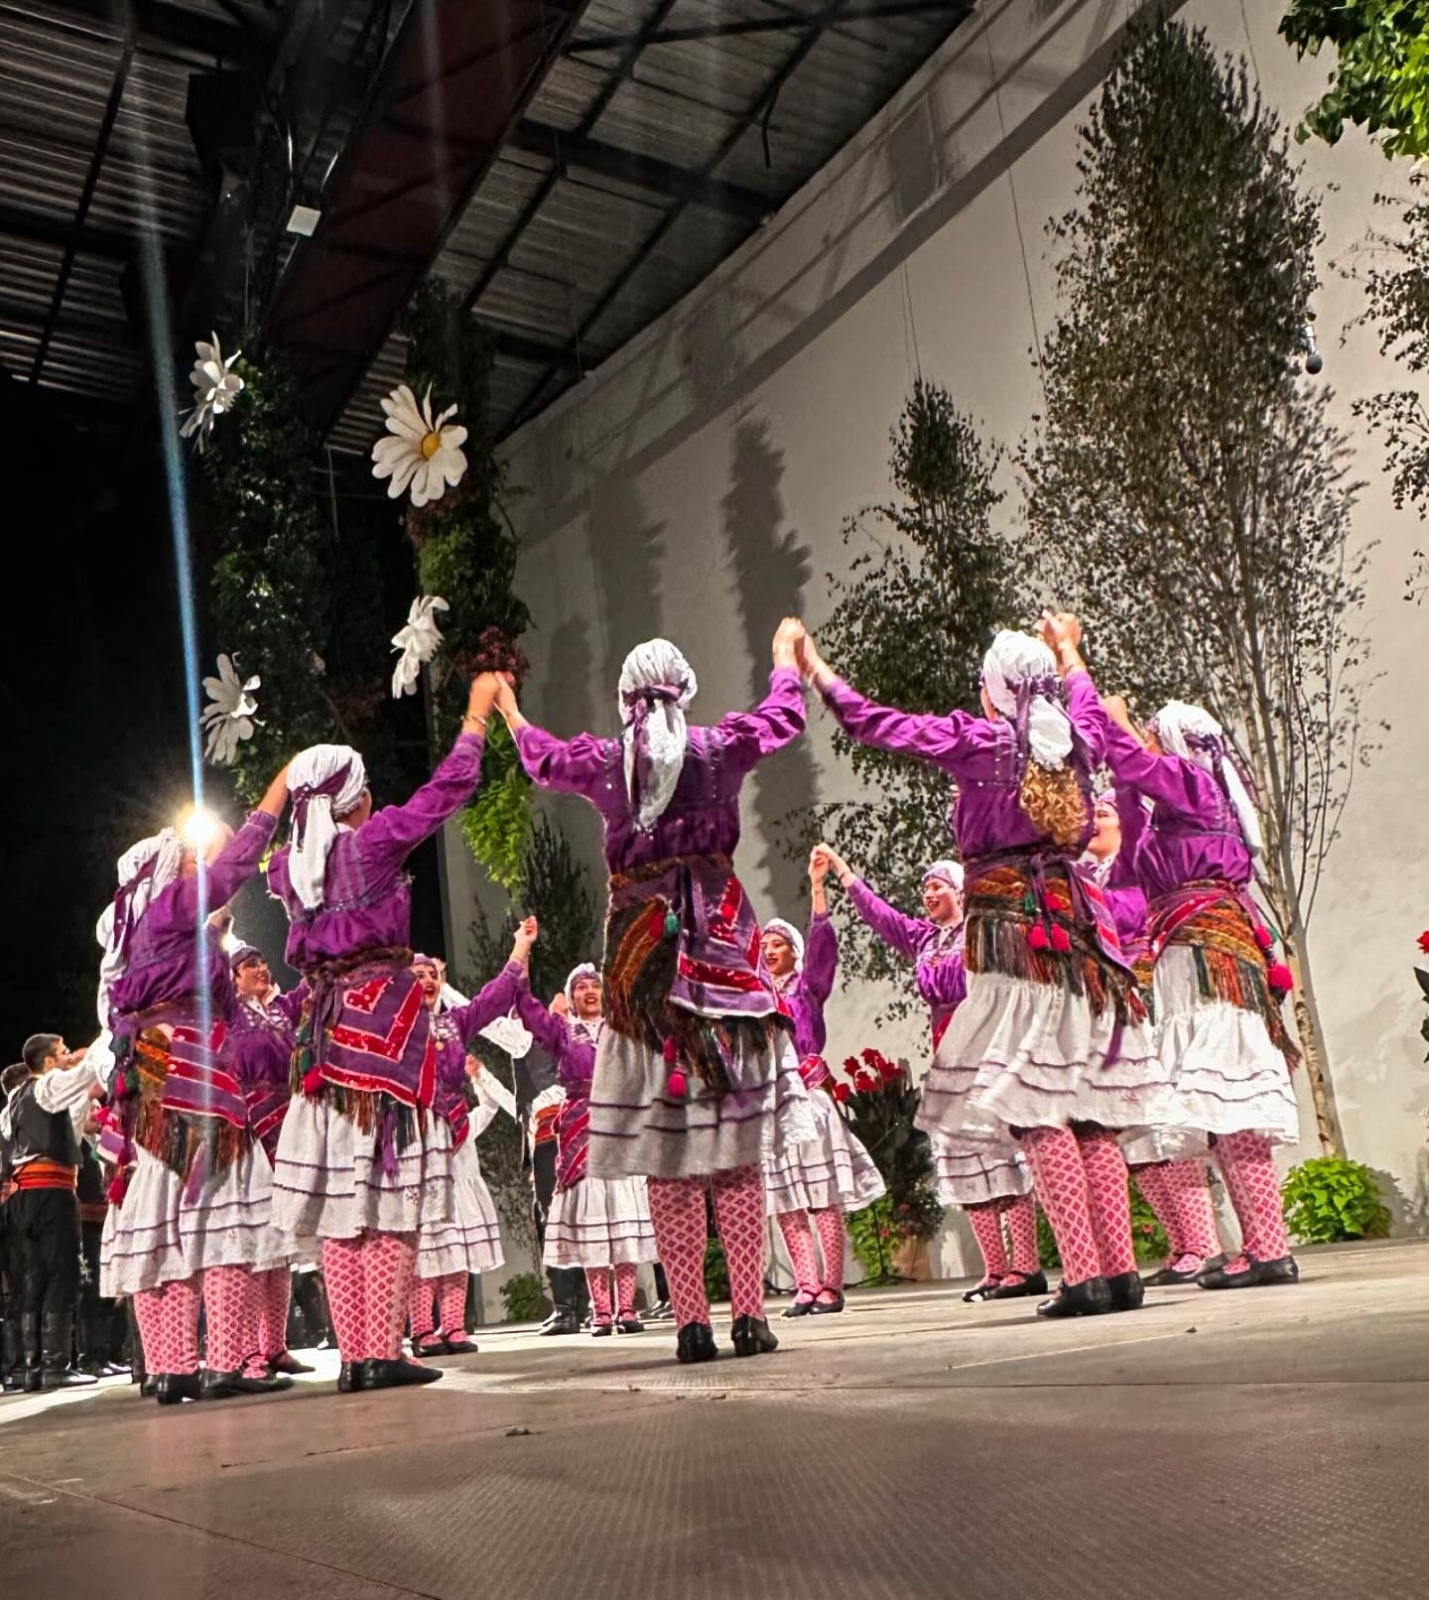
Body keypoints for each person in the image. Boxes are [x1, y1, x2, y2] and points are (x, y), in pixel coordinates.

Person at [798, 621, 1167, 1319]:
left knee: (1037, 1111)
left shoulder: (982, 742)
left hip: (1012, 937)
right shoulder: (1076, 735)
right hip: (1079, 933)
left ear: (995, 691)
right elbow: (1087, 700)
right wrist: (1067, 648)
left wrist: (816, 668)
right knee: (1088, 1110)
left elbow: (878, 724)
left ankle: (1083, 1276)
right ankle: (1120, 1274)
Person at [494, 624, 814, 1362]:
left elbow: (543, 758)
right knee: (737, 1156)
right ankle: (749, 1317)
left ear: (625, 699)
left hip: (643, 968)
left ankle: (691, 1326)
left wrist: (508, 710)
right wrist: (781, 661)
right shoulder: (719, 749)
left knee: (668, 1162)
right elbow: (783, 718)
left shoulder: (608, 764)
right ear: (685, 692)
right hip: (724, 957)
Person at [268, 672, 502, 1392]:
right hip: (385, 1036)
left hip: (323, 1041)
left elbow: (277, 856)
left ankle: (357, 1356)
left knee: (344, 1209)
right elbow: (446, 792)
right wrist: (474, 718)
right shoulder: (371, 844)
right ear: (356, 799)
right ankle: (383, 1349)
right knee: (390, 1195)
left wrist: (284, 795)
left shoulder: (288, 872)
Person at [1088, 669, 1301, 1291]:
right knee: (1213, 1109)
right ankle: (1259, 1248)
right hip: (1183, 959)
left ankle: (1270, 1249)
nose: (1148, 747)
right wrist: (1125, 774)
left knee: (1230, 1102)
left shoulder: (1196, 786)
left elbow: (1135, 762)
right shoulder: (1170, 813)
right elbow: (1130, 840)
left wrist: (1113, 720)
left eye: (1155, 737)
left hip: (1212, 954)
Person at [98, 772, 291, 1404]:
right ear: (162, 874)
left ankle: (172, 1368)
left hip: (149, 1074)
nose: (194, 867)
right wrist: (274, 799)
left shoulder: (139, 940)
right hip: (190, 1068)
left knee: (158, 1219)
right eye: (185, 860)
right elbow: (229, 871)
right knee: (223, 1208)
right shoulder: (167, 910)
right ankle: (224, 1364)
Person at [819, 848, 1045, 1302]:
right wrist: (842, 872)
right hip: (948, 1056)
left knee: (1003, 1155)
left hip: (986, 1050)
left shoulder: (981, 930)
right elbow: (880, 916)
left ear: (960, 891)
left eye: (937, 885)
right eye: (925, 888)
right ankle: (995, 1270)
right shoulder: (924, 939)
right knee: (964, 1160)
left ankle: (1027, 1267)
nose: (928, 893)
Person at [1079, 791, 1226, 1287]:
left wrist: (1123, 769)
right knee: (1136, 1134)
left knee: (1163, 1124)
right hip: (1112, 1004)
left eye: (1102, 814)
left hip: (1146, 995)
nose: (1092, 821)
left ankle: (1204, 1244)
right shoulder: (1089, 876)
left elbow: (1131, 809)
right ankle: (1183, 1244)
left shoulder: (1130, 867)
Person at [761, 851, 885, 1317]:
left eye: (778, 944)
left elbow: (822, 949)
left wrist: (817, 889)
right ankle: (805, 1286)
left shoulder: (806, 987)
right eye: (765, 945)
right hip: (774, 1103)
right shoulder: (758, 998)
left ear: (793, 952)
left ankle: (831, 1286)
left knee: (820, 1197)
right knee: (787, 1201)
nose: (769, 951)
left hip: (809, 1097)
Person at [516, 960, 658, 1336]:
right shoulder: (562, 1031)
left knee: (624, 1218)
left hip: (620, 1125)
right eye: (581, 987)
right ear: (571, 997)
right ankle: (601, 1311)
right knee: (593, 1221)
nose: (590, 991)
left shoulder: (622, 1028)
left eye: (595, 985)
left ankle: (626, 1309)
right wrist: (523, 960)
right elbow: (528, 1012)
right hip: (580, 1127)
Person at [407, 939, 531, 1358]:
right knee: (426, 1237)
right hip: (415, 1132)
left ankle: (454, 1326)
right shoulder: (396, 1025)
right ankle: (422, 1330)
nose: (427, 980)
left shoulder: (455, 1022)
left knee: (457, 1234)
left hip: (455, 1131)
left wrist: (519, 951)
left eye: (432, 975)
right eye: (417, 975)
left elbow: (491, 1000)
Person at [1, 1034, 106, 1390]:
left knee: (33, 1279)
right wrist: (103, 1038)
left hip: (25, 1197)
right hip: (51, 1193)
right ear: (47, 1062)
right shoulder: (47, 1087)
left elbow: (68, 1119)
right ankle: (55, 1366)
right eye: (61, 1053)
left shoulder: (15, 1100)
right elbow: (88, 1071)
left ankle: (31, 1368)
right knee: (62, 1273)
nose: (67, 1056)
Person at [229, 946, 313, 1379]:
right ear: (231, 978)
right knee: (253, 1244)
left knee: (279, 1246)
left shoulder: (281, 1010)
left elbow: (314, 985)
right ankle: (248, 1352)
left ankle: (275, 1346)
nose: (261, 969)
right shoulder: (229, 1013)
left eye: (263, 963)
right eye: (250, 966)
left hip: (288, 1123)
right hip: (247, 1127)